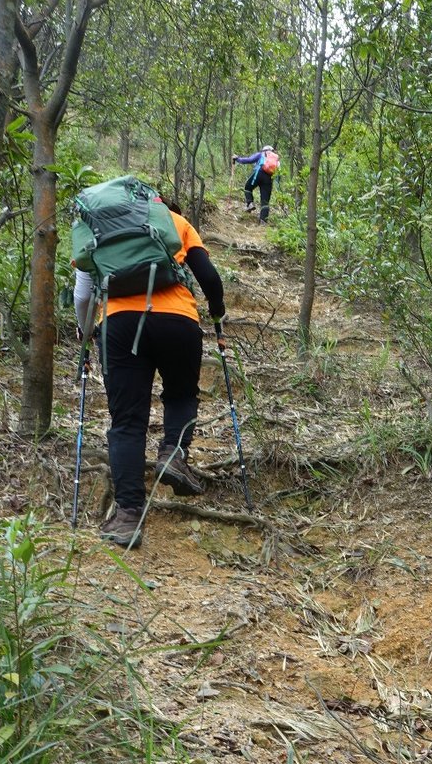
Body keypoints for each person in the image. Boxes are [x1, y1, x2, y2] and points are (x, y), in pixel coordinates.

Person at [74, 194, 227, 549]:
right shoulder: (174, 221)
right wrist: (217, 315)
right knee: (181, 393)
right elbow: (209, 277)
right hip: (179, 321)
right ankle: (173, 453)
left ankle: (128, 516)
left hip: (119, 325)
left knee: (127, 421)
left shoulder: (94, 228)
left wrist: (85, 333)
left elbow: (83, 296)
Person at [232, 144, 279, 222]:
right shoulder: (276, 159)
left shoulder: (261, 154)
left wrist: (237, 159)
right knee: (265, 201)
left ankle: (250, 204)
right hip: (269, 179)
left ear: (264, 150)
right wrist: (277, 185)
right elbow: (278, 173)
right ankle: (263, 221)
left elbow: (249, 160)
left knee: (248, 187)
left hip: (258, 174)